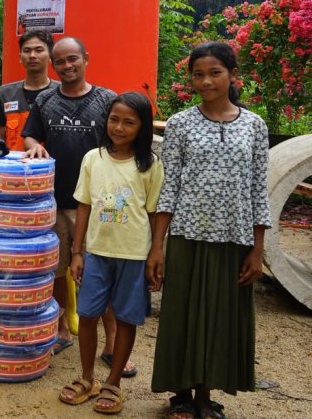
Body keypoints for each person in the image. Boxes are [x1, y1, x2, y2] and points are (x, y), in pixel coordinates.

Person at [148, 42, 270, 419]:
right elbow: (169, 188)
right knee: (182, 313)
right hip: (187, 234)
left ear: (233, 75)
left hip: (234, 238)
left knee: (220, 316)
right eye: (198, 74)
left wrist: (257, 248)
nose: (205, 81)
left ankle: (205, 395)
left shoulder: (254, 125)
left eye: (215, 72)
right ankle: (182, 395)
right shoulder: (182, 124)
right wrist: (158, 246)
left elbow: (257, 188)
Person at [59, 92, 164, 414]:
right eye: (114, 119)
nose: (119, 127)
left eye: (129, 122)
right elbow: (85, 205)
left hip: (133, 255)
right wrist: (78, 253)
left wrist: (156, 253)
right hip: (96, 254)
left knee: (125, 318)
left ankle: (114, 382)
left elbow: (156, 213)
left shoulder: (150, 165)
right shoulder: (93, 158)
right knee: (88, 316)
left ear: (142, 127)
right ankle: (88, 378)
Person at [22, 37, 116, 355]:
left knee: (98, 272)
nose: (66, 66)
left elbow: (123, 140)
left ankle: (111, 342)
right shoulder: (46, 100)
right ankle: (63, 327)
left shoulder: (107, 100)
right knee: (59, 270)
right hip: (55, 199)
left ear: (86, 58)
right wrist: (33, 145)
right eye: (60, 62)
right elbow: (31, 133)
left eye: (72, 59)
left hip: (98, 202)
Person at [0, 29, 58, 150]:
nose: (32, 55)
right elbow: (0, 137)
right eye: (27, 51)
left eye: (39, 50)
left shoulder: (61, 93)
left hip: (49, 167)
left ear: (50, 56)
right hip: (14, 167)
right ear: (20, 57)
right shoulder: (5, 93)